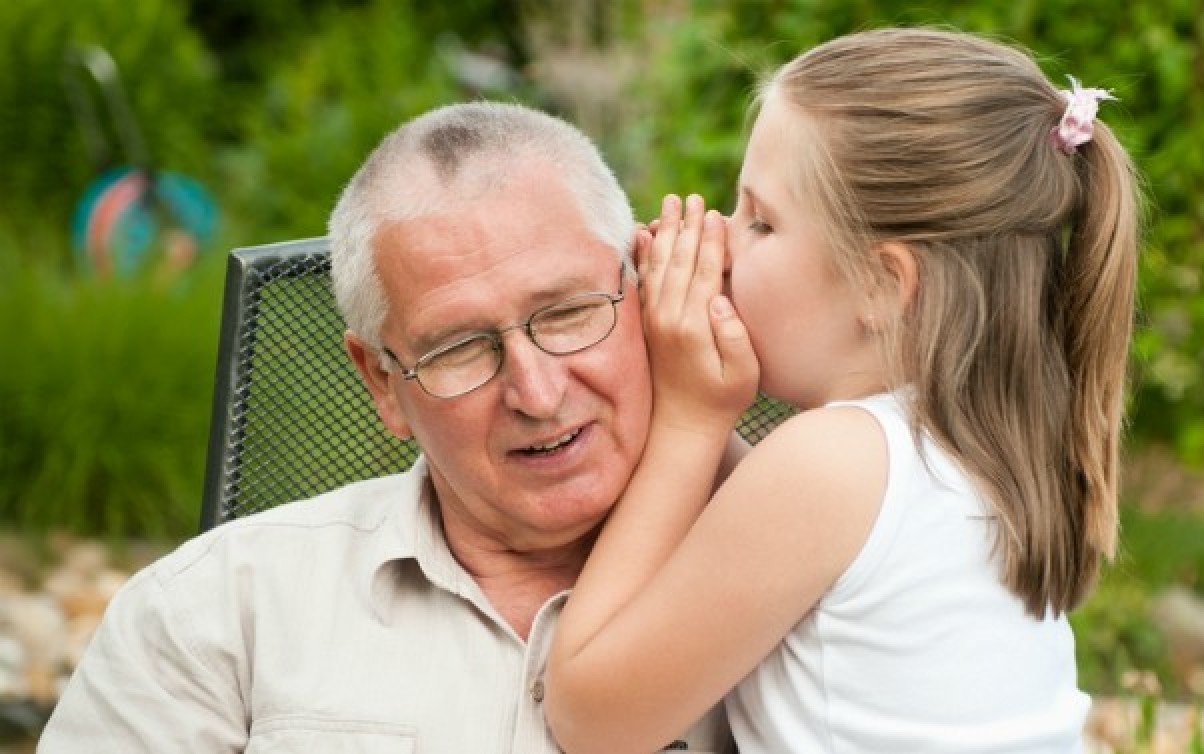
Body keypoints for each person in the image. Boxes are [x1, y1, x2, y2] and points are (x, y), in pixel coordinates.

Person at [38, 102, 733, 753]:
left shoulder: (798, 587)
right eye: (459, 348)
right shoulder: (210, 614)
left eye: (568, 314)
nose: (538, 392)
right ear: (381, 381)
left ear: (646, 290)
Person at [543, 27, 1140, 754]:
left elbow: (593, 719)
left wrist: (689, 421)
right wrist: (694, 396)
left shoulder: (833, 464)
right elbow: (746, 525)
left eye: (761, 220)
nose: (726, 240)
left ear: (882, 287)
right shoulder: (979, 452)